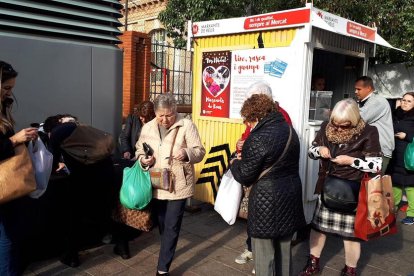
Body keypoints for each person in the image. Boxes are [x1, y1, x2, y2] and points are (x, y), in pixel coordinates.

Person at [299, 99, 382, 276]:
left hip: (352, 191)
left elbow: (376, 165)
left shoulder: (368, 131)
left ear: (353, 121)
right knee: (318, 229)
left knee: (351, 236)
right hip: (327, 186)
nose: (337, 128)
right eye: (335, 123)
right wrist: (319, 149)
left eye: (343, 125)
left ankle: (350, 270)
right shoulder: (326, 127)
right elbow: (311, 151)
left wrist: (352, 161)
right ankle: (313, 263)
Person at [230, 94, 306, 276]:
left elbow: (245, 175)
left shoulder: (257, 138)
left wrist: (234, 162)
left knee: (264, 256)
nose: (248, 125)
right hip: (290, 195)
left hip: (267, 202)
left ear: (255, 117)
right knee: (284, 253)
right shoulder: (289, 130)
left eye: (248, 121)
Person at [135, 93, 205, 275]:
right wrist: (144, 160)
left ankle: (162, 269)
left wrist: (187, 153)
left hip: (178, 184)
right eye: (161, 115)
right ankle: (167, 246)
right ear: (155, 113)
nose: (165, 119)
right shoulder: (148, 127)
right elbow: (138, 150)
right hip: (156, 181)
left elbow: (200, 151)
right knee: (163, 224)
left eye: (169, 115)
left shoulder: (186, 125)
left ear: (175, 111)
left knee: (172, 225)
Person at [43, 115, 115, 268]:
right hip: (106, 173)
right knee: (107, 210)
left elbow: (51, 160)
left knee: (74, 218)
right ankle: (123, 247)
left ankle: (72, 256)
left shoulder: (57, 133)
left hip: (83, 180)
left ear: (50, 130)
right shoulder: (81, 127)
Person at [0, 61, 38, 275]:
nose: (10, 93)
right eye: (6, 88)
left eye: (12, 88)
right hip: (3, 186)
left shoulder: (3, 106)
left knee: (9, 237)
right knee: (6, 239)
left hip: (7, 184)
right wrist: (14, 139)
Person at [355, 76, 394, 172]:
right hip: (369, 148)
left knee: (373, 183)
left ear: (368, 88)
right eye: (355, 89)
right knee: (364, 184)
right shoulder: (363, 101)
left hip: (380, 150)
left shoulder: (378, 101)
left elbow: (359, 119)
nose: (356, 92)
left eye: (358, 89)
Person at [387, 92, 414, 225]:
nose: (405, 103)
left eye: (409, 101)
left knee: (410, 186)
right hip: (395, 153)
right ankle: (393, 210)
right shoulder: (395, 114)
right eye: (404, 100)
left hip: (409, 157)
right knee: (395, 183)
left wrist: (407, 136)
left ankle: (412, 214)